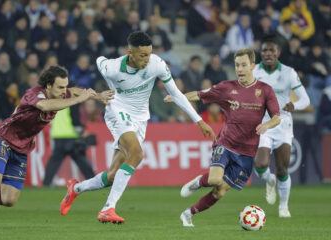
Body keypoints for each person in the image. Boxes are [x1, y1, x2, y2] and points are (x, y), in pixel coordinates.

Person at [60, 31, 216, 224]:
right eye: (143, 55)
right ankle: (108, 209)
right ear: (130, 53)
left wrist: (199, 120)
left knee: (112, 175)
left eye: (149, 54)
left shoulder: (157, 64)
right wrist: (99, 94)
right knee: (137, 154)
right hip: (117, 110)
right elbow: (99, 59)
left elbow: (176, 93)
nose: (147, 59)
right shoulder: (113, 68)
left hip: (141, 118)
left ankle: (75, 189)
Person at [0, 66, 115, 233]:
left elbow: (74, 91)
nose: (64, 91)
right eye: (60, 87)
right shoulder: (34, 94)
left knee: (9, 200)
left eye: (65, 86)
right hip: (2, 139)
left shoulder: (61, 93)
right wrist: (79, 100)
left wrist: (97, 96)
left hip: (21, 148)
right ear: (48, 85)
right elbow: (45, 106)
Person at [165, 48, 281, 227]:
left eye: (243, 65)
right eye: (237, 65)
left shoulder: (265, 90)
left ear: (252, 66)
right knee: (213, 180)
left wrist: (266, 125)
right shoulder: (227, 87)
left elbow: (277, 117)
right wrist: (177, 97)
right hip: (226, 143)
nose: (240, 69)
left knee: (219, 192)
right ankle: (198, 182)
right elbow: (200, 94)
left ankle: (188, 214)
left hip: (247, 152)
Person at [252, 36, 310, 218]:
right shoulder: (253, 72)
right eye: (265, 51)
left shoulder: (289, 72)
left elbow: (305, 99)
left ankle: (283, 206)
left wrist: (295, 105)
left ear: (278, 53)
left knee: (283, 169)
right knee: (260, 164)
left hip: (283, 122)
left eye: (272, 50)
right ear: (260, 54)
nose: (268, 54)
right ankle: (269, 180)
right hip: (263, 123)